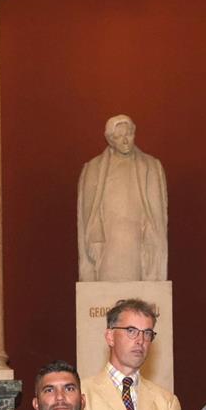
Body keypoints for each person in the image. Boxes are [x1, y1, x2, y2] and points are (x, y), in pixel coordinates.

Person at [76, 113, 169, 283]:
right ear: (110, 140)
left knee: (139, 286)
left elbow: (157, 212)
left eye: (129, 134)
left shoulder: (152, 166)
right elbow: (88, 211)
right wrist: (95, 237)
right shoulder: (93, 168)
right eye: (119, 137)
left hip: (139, 239)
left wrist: (151, 236)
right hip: (108, 241)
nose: (125, 141)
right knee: (109, 285)